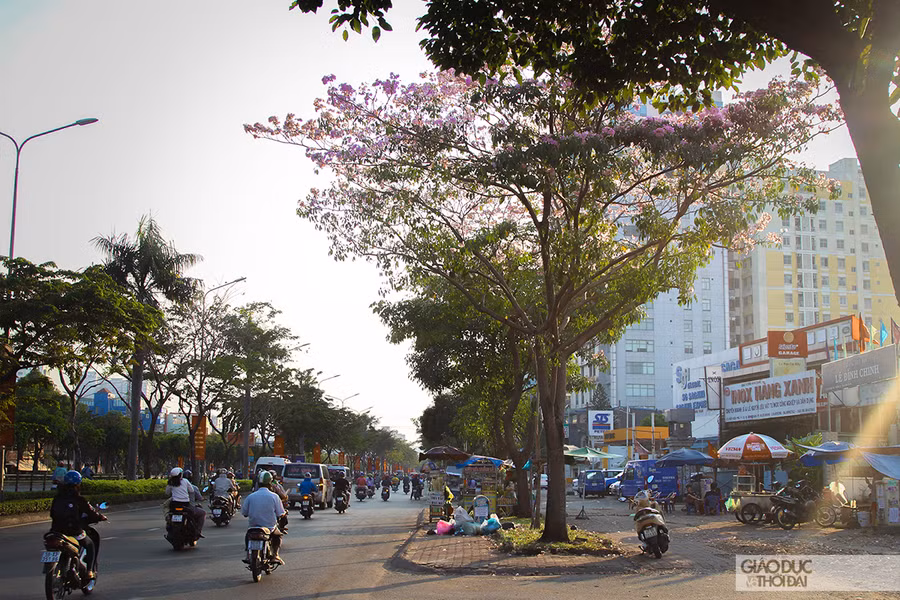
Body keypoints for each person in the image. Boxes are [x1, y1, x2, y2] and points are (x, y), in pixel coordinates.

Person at [49, 470, 106, 581]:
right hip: (74, 531)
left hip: (56, 531)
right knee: (90, 545)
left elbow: (52, 514)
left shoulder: (57, 498)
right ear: (78, 483)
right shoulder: (79, 499)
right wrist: (100, 517)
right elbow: (91, 513)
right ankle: (89, 571)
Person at [241, 470, 287, 565]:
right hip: (270, 528)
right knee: (278, 536)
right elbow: (280, 513)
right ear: (270, 483)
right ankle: (275, 555)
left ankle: (248, 554)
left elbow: (244, 513)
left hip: (253, 527)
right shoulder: (274, 497)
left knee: (248, 536)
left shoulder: (251, 496)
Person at [166, 467, 205, 536]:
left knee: (168, 514)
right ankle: (198, 532)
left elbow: (167, 493)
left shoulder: (170, 483)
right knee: (202, 513)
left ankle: (169, 525)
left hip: (174, 505)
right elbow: (191, 490)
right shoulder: (185, 481)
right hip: (185, 505)